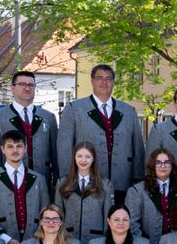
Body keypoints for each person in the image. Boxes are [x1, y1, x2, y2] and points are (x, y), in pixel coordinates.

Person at [58, 64, 145, 203]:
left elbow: (138, 149)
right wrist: (68, 179)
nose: (104, 82)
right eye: (100, 78)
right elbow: (64, 148)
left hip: (122, 182)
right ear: (92, 81)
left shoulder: (129, 111)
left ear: (113, 82)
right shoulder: (74, 109)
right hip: (86, 184)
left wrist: (138, 179)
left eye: (108, 78)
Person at [0, 130, 51, 244]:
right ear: (2, 149)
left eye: (19, 146)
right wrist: (5, 239)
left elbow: (46, 213)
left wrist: (36, 239)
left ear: (26, 148)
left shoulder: (39, 179)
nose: (15, 150)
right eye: (10, 146)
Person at [0, 70, 57, 185]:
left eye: (31, 85)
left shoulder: (48, 117)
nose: (27, 88)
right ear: (12, 88)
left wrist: (57, 183)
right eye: (22, 84)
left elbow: (55, 154)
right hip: (10, 185)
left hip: (43, 184)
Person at [58, 142, 114, 244]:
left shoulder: (105, 185)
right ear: (74, 158)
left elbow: (108, 217)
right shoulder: (62, 183)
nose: (83, 160)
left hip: (95, 241)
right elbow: (58, 214)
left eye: (88, 156)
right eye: (79, 156)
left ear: (93, 159)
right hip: (68, 240)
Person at [125, 148, 177, 242]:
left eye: (167, 162)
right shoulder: (137, 191)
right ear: (152, 166)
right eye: (158, 163)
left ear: (172, 166)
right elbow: (132, 224)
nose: (163, 166)